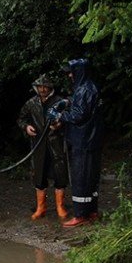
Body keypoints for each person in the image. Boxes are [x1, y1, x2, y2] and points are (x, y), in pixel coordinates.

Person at [52, 58, 103, 228]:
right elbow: (82, 107)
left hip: (83, 141)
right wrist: (67, 101)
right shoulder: (88, 87)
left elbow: (78, 115)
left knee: (80, 177)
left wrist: (60, 116)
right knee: (91, 177)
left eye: (71, 71)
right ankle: (92, 212)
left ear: (79, 71)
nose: (69, 75)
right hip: (91, 140)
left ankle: (81, 215)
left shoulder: (84, 89)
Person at [17, 74, 69, 221]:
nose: (43, 89)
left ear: (50, 88)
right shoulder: (31, 103)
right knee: (39, 175)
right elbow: (21, 119)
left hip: (56, 143)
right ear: (36, 88)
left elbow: (68, 117)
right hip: (38, 144)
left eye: (46, 86)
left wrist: (60, 124)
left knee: (60, 173)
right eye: (40, 86)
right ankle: (41, 207)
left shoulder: (59, 102)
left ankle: (60, 206)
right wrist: (26, 127)